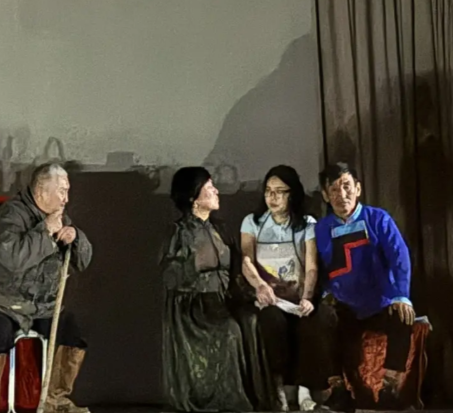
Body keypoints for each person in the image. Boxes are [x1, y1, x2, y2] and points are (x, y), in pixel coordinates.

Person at [0, 163, 94, 413]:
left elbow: (82, 262)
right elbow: (13, 259)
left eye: (67, 191)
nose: (66, 199)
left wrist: (75, 237)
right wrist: (45, 231)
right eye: (62, 191)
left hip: (41, 306)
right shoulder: (9, 216)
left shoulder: (59, 217)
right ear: (42, 191)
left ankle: (56, 401)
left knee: (71, 332)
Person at [309, 162, 415, 409]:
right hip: (345, 306)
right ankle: (339, 390)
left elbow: (399, 257)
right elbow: (318, 268)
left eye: (346, 186)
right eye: (334, 189)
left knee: (403, 317)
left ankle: (389, 389)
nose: (341, 194)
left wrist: (400, 295)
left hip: (380, 302)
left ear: (358, 188)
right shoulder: (321, 229)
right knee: (322, 320)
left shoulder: (378, 219)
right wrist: (324, 294)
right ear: (325, 195)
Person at [161, 166, 255, 412]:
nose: (216, 191)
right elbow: (170, 277)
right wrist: (194, 263)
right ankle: (220, 400)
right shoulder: (179, 233)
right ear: (194, 197)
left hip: (224, 298)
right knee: (229, 330)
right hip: (194, 305)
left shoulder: (220, 229)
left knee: (252, 321)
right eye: (209, 187)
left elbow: (236, 268)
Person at [239, 165, 319, 411]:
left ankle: (305, 390)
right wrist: (261, 286)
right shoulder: (252, 223)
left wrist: (307, 297)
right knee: (273, 323)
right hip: (270, 298)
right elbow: (246, 261)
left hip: (298, 296)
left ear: (292, 194)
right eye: (268, 191)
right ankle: (279, 390)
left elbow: (311, 266)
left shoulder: (307, 224)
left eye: (279, 191)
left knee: (311, 324)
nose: (272, 197)